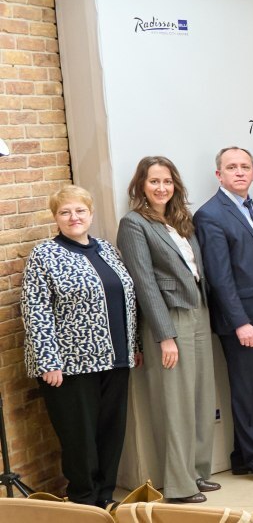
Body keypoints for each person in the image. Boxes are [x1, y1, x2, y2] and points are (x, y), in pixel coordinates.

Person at [23, 186, 139, 507]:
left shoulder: (107, 249)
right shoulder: (44, 255)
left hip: (116, 359)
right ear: (55, 217)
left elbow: (126, 300)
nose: (73, 217)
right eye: (65, 212)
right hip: (70, 365)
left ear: (91, 214)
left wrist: (134, 345)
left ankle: (105, 499)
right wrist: (48, 361)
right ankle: (84, 501)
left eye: (80, 211)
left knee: (111, 434)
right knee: (80, 439)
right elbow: (36, 311)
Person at [117, 157, 219, 502]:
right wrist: (165, 336)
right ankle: (179, 485)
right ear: (141, 186)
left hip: (198, 310)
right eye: (154, 181)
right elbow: (144, 283)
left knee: (201, 397)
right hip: (169, 318)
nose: (162, 188)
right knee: (176, 402)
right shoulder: (133, 223)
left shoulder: (179, 220)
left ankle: (198, 472)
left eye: (167, 181)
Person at [194, 147, 253, 485]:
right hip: (242, 320)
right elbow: (220, 277)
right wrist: (241, 322)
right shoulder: (210, 215)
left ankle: (242, 456)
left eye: (245, 166)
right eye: (232, 167)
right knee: (246, 392)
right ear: (219, 175)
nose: (240, 172)